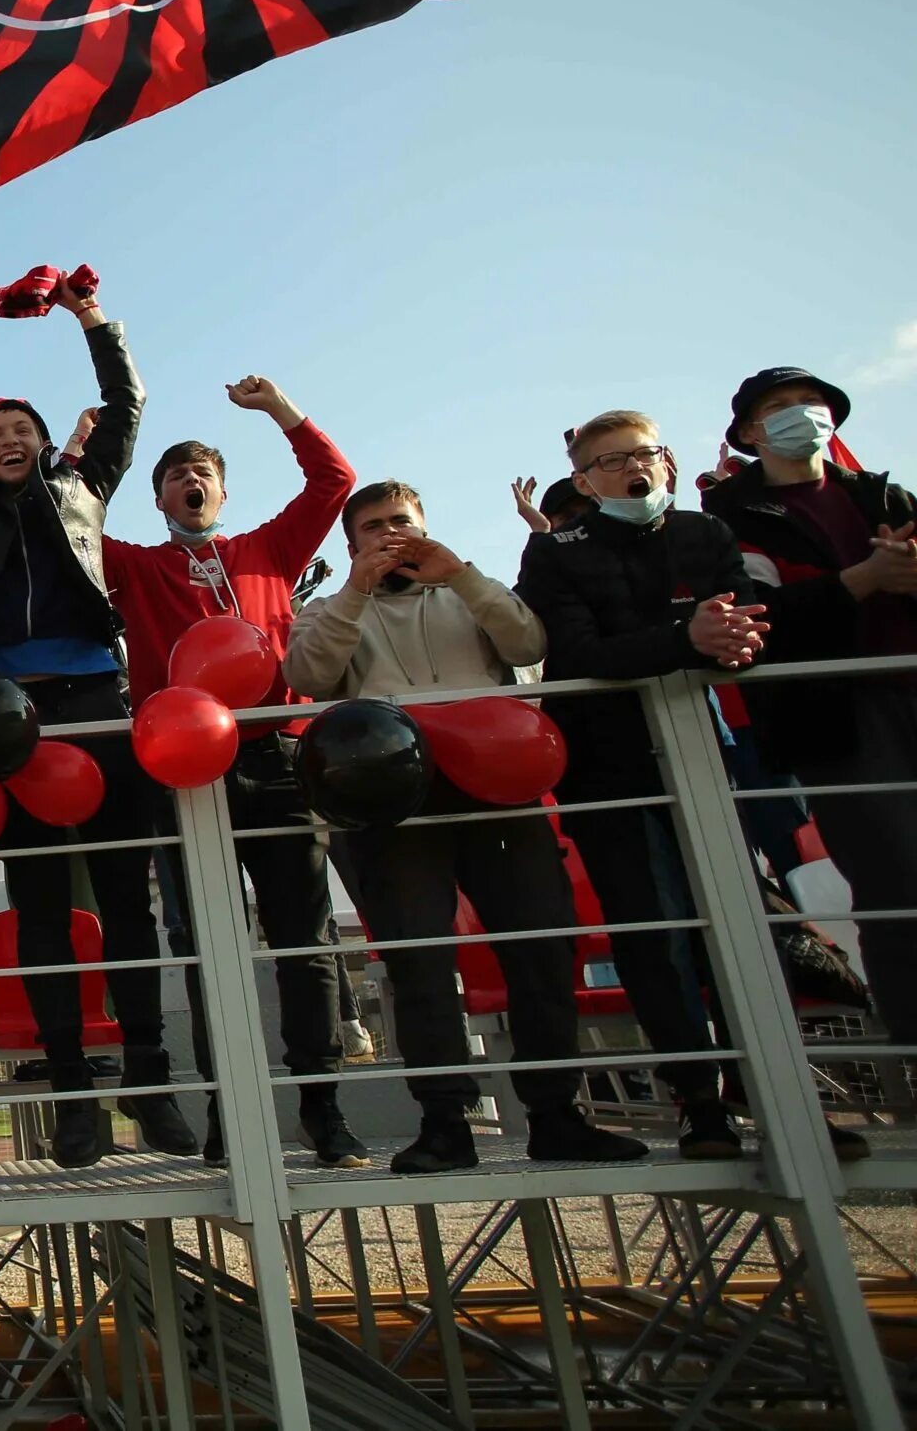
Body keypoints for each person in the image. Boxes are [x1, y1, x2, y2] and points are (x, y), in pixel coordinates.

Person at [0, 266, 193, 1166]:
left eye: (23, 428)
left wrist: (89, 314)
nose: (12, 439)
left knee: (128, 905)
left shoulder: (85, 485)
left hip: (98, 700)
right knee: (37, 909)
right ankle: (71, 1092)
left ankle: (150, 1081)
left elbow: (126, 399)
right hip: (4, 714)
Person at [288, 482, 647, 1171]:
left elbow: (528, 639)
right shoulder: (330, 609)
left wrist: (461, 574)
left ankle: (556, 1113)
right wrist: (355, 593)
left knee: (539, 945)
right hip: (392, 793)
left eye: (402, 522)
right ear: (352, 543)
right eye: (373, 528)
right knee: (419, 960)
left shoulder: (467, 587)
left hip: (497, 782)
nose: (390, 534)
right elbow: (308, 671)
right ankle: (445, 1119)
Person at [102, 375, 362, 1167]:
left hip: (275, 754)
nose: (189, 483)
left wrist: (283, 409)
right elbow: (64, 523)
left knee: (304, 938)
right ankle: (228, 1114)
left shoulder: (268, 550)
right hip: (183, 767)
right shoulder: (139, 567)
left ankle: (323, 1108)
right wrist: (81, 450)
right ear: (159, 500)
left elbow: (334, 482)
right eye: (174, 476)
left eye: (201, 474)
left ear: (221, 490)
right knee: (204, 943)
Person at [514, 412, 765, 1159]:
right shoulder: (555, 553)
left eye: (643, 455)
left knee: (738, 919)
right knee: (653, 929)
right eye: (610, 461)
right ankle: (700, 1101)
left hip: (710, 760)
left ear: (669, 460)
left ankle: (773, 1081)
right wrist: (681, 641)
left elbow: (745, 621)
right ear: (585, 481)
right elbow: (580, 652)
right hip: (609, 766)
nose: (634, 469)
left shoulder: (704, 536)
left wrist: (726, 642)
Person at [705, 368, 917, 1053]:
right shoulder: (731, 518)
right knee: (895, 880)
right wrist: (863, 582)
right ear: (749, 432)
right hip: (836, 717)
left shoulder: (880, 493)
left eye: (812, 403)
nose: (802, 415)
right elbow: (761, 619)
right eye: (781, 408)